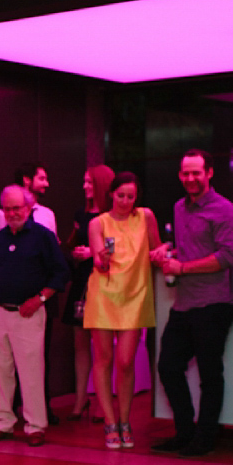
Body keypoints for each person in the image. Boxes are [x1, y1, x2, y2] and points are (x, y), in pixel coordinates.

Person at [150, 150, 233, 457]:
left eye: (196, 173)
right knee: (168, 366)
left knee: (209, 373)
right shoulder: (179, 207)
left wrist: (183, 268)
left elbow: (228, 257)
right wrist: (167, 251)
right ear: (180, 175)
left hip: (215, 302)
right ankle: (185, 431)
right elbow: (190, 247)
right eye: (185, 173)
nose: (190, 178)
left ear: (209, 173)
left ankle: (204, 438)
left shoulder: (224, 209)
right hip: (185, 302)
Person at [0, 185, 69, 446]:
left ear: (29, 208)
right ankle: (3, 424)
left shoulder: (43, 237)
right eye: (7, 209)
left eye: (16, 208)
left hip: (29, 315)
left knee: (31, 372)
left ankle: (35, 427)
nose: (11, 213)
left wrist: (40, 298)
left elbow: (60, 273)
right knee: (0, 372)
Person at [84, 172, 158, 449]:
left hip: (135, 294)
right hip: (104, 293)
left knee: (126, 361)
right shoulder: (98, 223)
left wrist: (164, 254)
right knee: (103, 359)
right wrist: (100, 258)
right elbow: (98, 261)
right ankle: (110, 422)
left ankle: (125, 418)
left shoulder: (145, 217)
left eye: (131, 196)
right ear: (111, 195)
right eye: (121, 195)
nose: (126, 201)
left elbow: (156, 247)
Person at [62, 166, 114, 420]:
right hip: (81, 280)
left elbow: (117, 250)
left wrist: (92, 254)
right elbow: (72, 241)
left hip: (102, 280)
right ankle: (81, 398)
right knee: (80, 343)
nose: (85, 187)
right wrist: (75, 252)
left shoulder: (111, 216)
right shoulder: (80, 214)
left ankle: (102, 401)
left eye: (90, 183)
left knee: (102, 347)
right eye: (84, 182)